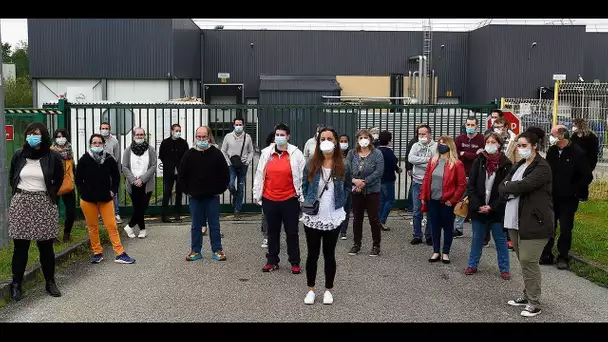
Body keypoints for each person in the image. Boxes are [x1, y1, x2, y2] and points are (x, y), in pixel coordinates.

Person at [499, 131, 554, 318]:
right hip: (515, 220)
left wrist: (509, 186)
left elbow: (523, 186)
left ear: (535, 146)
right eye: (518, 145)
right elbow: (502, 185)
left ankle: (534, 302)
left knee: (529, 261)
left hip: (535, 221)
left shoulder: (542, 167)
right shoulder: (520, 165)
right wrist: (508, 186)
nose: (520, 149)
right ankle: (526, 294)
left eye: (524, 145)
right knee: (523, 260)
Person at [8, 122, 64, 301]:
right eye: (30, 133)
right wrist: (21, 194)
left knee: (46, 246)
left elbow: (58, 178)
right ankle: (16, 284)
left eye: (37, 133)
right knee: (20, 247)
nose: (33, 136)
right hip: (21, 202)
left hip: (43, 203)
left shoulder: (52, 156)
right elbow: (12, 177)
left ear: (44, 136)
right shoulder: (19, 155)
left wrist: (50, 194)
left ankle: (50, 282)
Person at [300, 127, 351, 305]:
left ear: (336, 141)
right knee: (312, 254)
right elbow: (304, 185)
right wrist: (307, 200)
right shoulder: (311, 163)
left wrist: (341, 201)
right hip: (313, 215)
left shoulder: (344, 164)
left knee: (329, 254)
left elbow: (347, 186)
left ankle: (328, 289)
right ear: (318, 141)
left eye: (329, 138)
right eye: (323, 138)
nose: (326, 141)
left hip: (333, 215)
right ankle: (311, 289)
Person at [253, 123, 306, 273]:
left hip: (289, 199)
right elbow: (259, 174)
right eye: (277, 135)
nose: (279, 137)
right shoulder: (266, 153)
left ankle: (295, 262)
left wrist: (301, 197)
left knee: (292, 232)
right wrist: (257, 194)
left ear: (288, 137)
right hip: (270, 198)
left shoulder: (296, 154)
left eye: (282, 135)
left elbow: (302, 177)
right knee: (272, 232)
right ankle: (272, 260)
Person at [76, 134, 136, 265]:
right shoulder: (84, 159)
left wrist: (113, 191)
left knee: (112, 226)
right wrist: (83, 192)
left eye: (99, 143)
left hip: (106, 199)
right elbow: (78, 179)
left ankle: (120, 253)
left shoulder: (109, 159)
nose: (97, 145)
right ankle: (97, 252)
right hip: (88, 200)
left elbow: (116, 177)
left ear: (103, 144)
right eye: (94, 143)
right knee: (93, 227)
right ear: (90, 144)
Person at [541, 125, 593, 269]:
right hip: (552, 196)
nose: (550, 137)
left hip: (568, 199)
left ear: (561, 135)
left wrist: (575, 191)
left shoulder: (577, 153)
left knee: (565, 228)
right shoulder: (552, 151)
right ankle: (546, 254)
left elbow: (586, 176)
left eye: (552, 134)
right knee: (549, 226)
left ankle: (563, 256)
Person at [465, 132, 513, 279]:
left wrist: (492, 206)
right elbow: (471, 184)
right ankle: (472, 265)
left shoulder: (506, 164)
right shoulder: (479, 160)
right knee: (477, 238)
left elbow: (506, 190)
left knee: (500, 240)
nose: (490, 145)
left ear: (499, 145)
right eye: (488, 142)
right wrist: (477, 205)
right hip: (478, 208)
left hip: (496, 210)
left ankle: (504, 269)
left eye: (493, 142)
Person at [179, 126, 230, 262]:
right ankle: (195, 251)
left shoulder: (216, 154)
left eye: (204, 137)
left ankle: (218, 250)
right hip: (195, 197)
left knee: (214, 225)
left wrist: (219, 189)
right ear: (196, 137)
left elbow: (225, 174)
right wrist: (188, 191)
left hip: (212, 197)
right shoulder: (189, 154)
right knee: (195, 225)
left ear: (209, 137)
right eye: (199, 137)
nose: (201, 139)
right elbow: (181, 175)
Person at [420, 136, 467, 264]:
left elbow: (461, 184)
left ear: (450, 146)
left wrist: (452, 200)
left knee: (447, 227)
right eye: (439, 143)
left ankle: (445, 252)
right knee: (434, 226)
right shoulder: (433, 161)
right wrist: (423, 196)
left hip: (446, 201)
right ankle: (436, 251)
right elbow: (426, 179)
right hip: (433, 199)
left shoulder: (457, 164)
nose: (441, 145)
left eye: (444, 143)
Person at [346, 129, 385, 257]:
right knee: (357, 219)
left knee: (374, 219)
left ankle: (376, 245)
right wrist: (354, 181)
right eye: (361, 137)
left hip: (372, 191)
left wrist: (364, 182)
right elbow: (346, 169)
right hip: (356, 191)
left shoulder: (377, 153)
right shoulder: (352, 153)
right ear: (357, 140)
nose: (363, 140)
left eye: (366, 137)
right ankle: (356, 244)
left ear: (370, 139)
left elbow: (378, 172)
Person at [122, 127, 158, 239]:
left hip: (146, 183)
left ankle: (130, 225)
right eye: (137, 134)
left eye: (141, 135)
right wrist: (133, 180)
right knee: (138, 207)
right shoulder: (128, 150)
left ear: (144, 136)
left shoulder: (151, 150)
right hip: (133, 184)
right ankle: (142, 230)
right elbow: (125, 166)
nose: (139, 136)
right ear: (134, 136)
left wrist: (142, 179)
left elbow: (153, 166)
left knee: (143, 206)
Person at [454, 116, 485, 238]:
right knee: (461, 201)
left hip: (478, 175)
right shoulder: (460, 139)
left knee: (477, 202)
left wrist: (464, 154)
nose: (470, 127)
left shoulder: (482, 139)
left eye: (472, 125)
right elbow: (457, 155)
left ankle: (479, 232)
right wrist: (472, 154)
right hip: (463, 174)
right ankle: (458, 228)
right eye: (468, 125)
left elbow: (481, 156)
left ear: (477, 126)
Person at [408, 124, 436, 245]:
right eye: (420, 134)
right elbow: (411, 158)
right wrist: (427, 160)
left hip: (431, 182)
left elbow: (436, 162)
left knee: (430, 210)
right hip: (417, 181)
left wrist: (421, 161)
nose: (421, 136)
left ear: (429, 134)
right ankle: (417, 235)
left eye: (424, 134)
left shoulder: (436, 146)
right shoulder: (415, 145)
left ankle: (429, 235)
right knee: (417, 210)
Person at [221, 117, 254, 220]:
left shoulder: (247, 137)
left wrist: (247, 162)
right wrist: (228, 162)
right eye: (237, 124)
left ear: (243, 125)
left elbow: (251, 151)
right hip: (231, 165)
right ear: (233, 125)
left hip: (243, 165)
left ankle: (237, 210)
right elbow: (223, 150)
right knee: (230, 184)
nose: (238, 126)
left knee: (240, 187)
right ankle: (235, 196)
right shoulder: (228, 137)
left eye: (240, 124)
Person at [158, 123, 189, 223]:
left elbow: (186, 156)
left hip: (180, 171)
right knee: (167, 191)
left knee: (179, 192)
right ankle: (164, 214)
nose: (178, 133)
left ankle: (177, 213)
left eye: (179, 131)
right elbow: (161, 155)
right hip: (169, 171)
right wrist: (169, 164)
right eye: (176, 131)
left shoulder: (183, 143)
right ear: (172, 131)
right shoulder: (165, 142)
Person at [51, 128, 76, 243]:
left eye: (62, 136)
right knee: (52, 211)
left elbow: (73, 167)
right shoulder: (50, 151)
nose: (60, 139)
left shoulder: (70, 151)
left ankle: (67, 233)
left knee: (71, 211)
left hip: (68, 185)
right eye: (58, 136)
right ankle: (53, 236)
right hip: (54, 185)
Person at [99, 122, 122, 224]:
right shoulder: (97, 140)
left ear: (110, 129)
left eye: (106, 128)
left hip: (110, 170)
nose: (104, 130)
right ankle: (100, 214)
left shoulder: (114, 142)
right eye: (103, 128)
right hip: (98, 170)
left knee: (113, 193)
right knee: (99, 191)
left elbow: (117, 158)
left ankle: (116, 214)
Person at [377, 130, 400, 229]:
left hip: (379, 179)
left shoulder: (376, 151)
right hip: (388, 179)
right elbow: (393, 162)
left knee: (382, 200)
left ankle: (378, 220)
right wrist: (398, 169)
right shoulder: (388, 151)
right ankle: (382, 220)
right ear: (389, 140)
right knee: (390, 200)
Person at [260, 131, 276, 248]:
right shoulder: (265, 154)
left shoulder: (289, 155)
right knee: (266, 216)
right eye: (273, 140)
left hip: (282, 192)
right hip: (267, 191)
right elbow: (260, 173)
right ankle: (266, 237)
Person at [338, 134, 352, 240]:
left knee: (346, 209)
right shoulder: (334, 155)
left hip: (348, 185)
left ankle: (343, 231)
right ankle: (336, 228)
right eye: (341, 141)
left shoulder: (351, 155)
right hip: (337, 185)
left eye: (345, 141)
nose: (343, 143)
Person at [405, 135, 419, 212]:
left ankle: (413, 206)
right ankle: (411, 206)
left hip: (422, 169)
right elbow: (408, 155)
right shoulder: (413, 142)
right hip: (414, 168)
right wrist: (409, 168)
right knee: (414, 186)